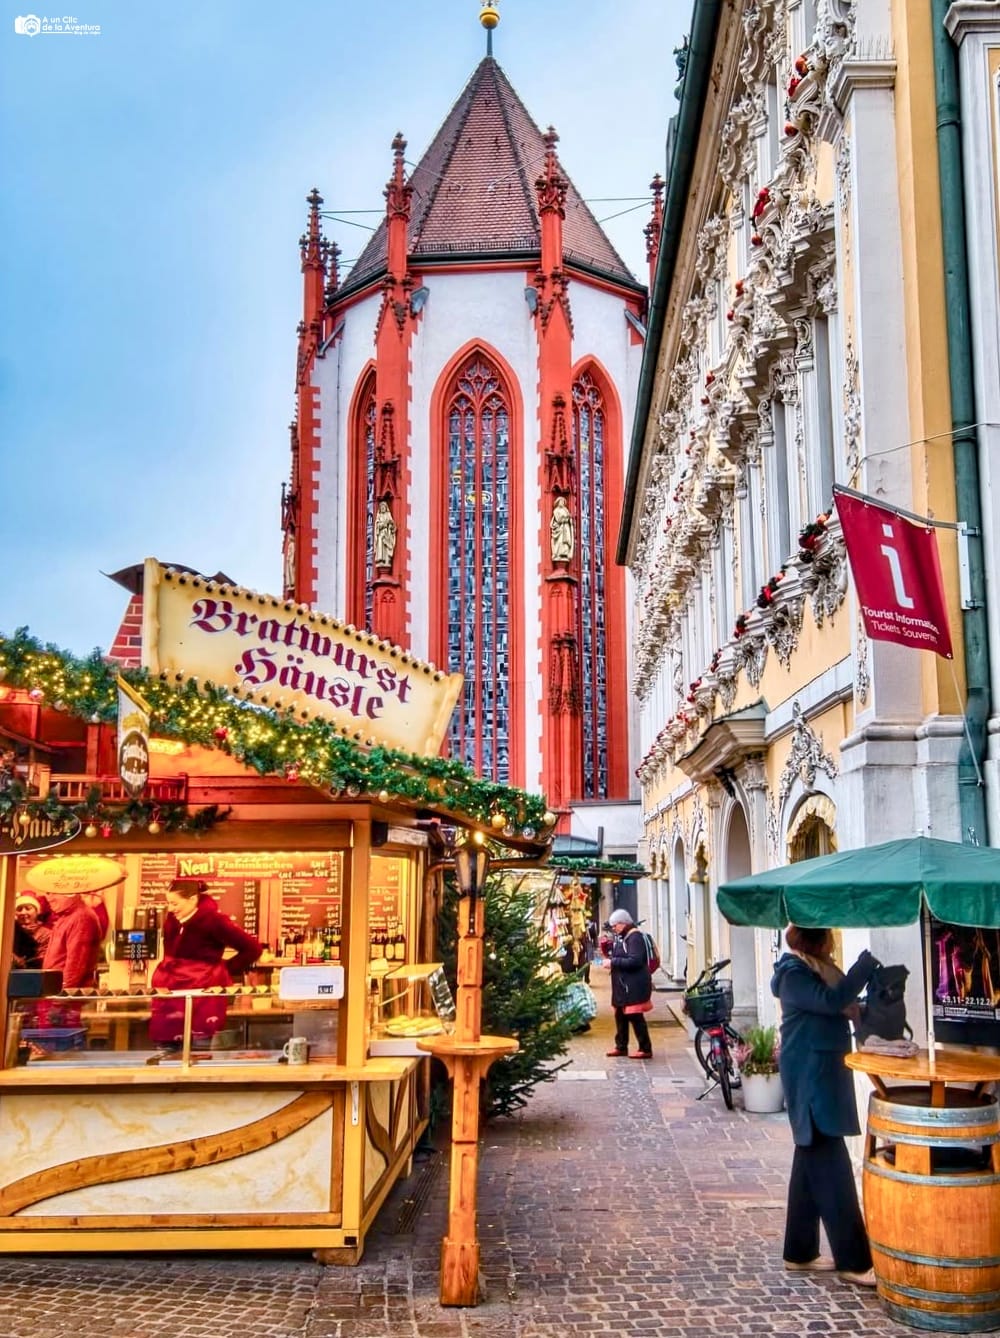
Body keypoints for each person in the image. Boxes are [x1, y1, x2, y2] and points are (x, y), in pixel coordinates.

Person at [771, 925, 879, 1287]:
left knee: (810, 1157)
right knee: (832, 1169)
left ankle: (798, 1252)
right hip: (811, 1077)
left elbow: (835, 1004)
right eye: (828, 937)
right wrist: (864, 969)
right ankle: (853, 1261)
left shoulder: (814, 968)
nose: (833, 942)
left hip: (822, 1072)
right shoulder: (794, 974)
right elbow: (830, 1002)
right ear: (816, 941)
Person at [150, 877, 264, 1049]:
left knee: (199, 1047)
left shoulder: (215, 921)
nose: (171, 909)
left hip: (201, 992)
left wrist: (222, 969)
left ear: (193, 900)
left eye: (175, 903)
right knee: (165, 1049)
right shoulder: (172, 920)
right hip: (170, 993)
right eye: (169, 903)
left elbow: (252, 949)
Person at [601, 908, 653, 1059]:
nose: (614, 929)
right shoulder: (624, 937)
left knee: (635, 1016)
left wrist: (612, 962)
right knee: (620, 1016)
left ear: (623, 924)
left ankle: (645, 1048)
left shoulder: (634, 937)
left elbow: (635, 960)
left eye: (615, 926)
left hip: (633, 986)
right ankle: (621, 1046)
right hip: (623, 986)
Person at [41, 888, 103, 989]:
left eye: (53, 893)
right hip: (57, 993)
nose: (49, 898)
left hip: (70, 999)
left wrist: (60, 999)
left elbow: (75, 967)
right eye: (48, 893)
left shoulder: (81, 918)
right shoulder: (67, 916)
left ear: (70, 893)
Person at [14, 893, 51, 968]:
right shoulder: (10, 932)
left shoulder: (47, 934)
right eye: (19, 909)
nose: (23, 912)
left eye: (28, 909)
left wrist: (23, 963)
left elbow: (44, 958)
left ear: (37, 912)